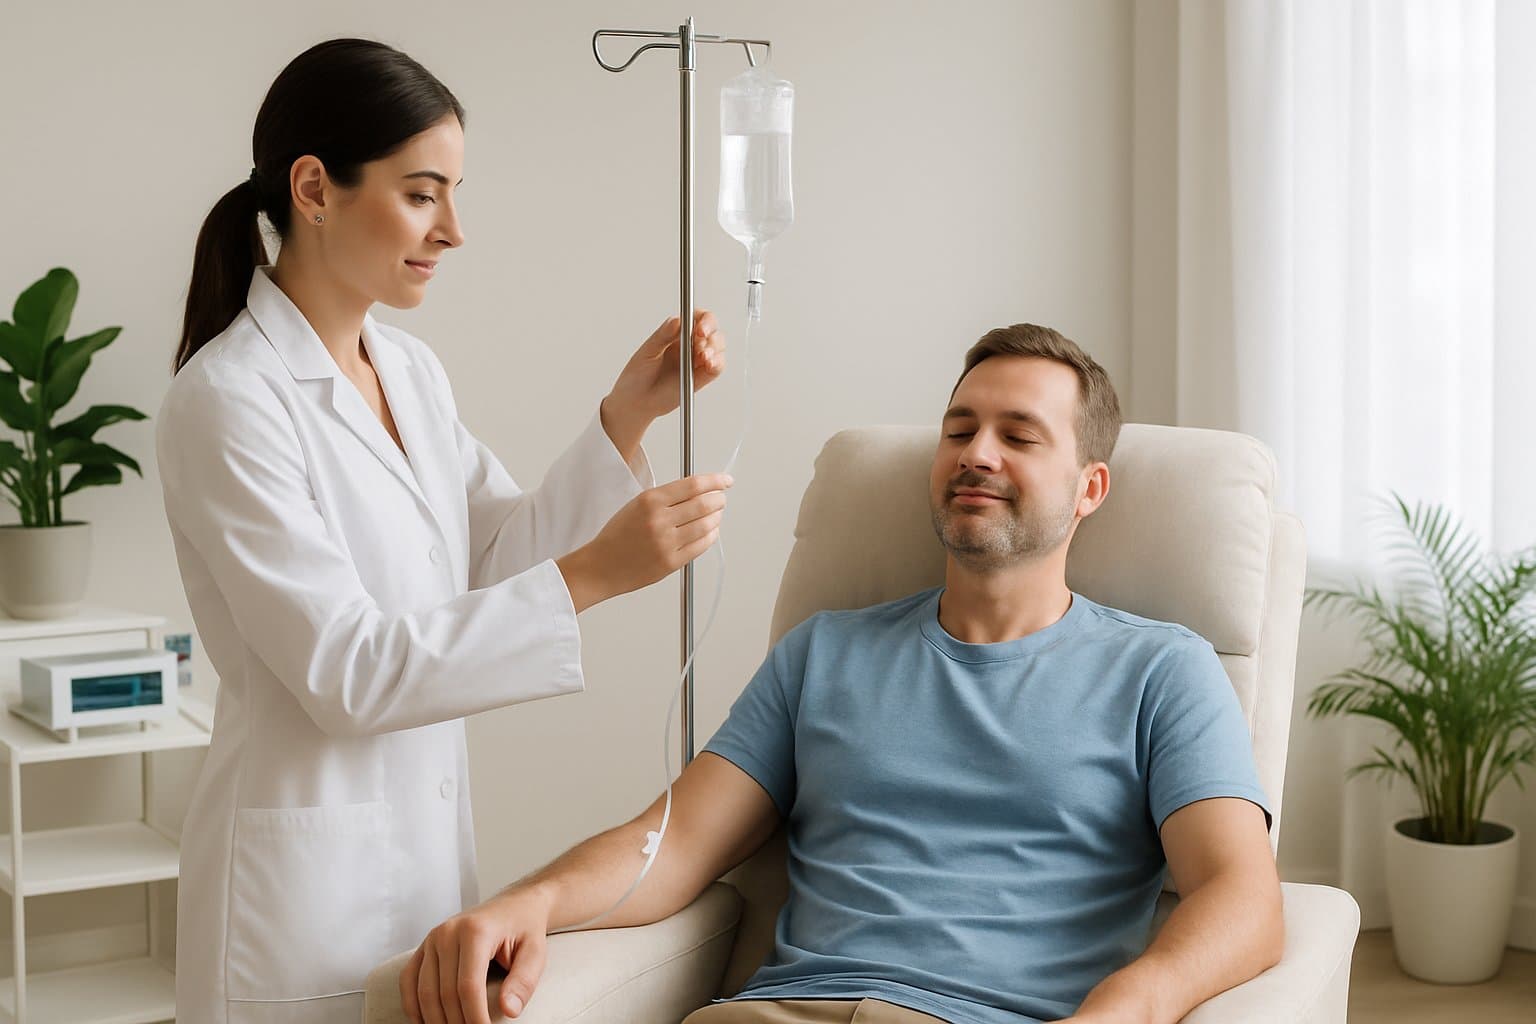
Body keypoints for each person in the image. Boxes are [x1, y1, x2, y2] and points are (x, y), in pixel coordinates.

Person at [403, 324, 1285, 1024]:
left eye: (1018, 436)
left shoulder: (1162, 670)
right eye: (959, 430)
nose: (977, 453)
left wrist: (1124, 1009)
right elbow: (671, 844)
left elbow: (1243, 897)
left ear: (1090, 488)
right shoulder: (823, 653)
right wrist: (532, 901)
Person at [157, 38, 732, 1023]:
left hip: (423, 874)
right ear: (314, 188)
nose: (453, 230)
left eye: (453, 195)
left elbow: (493, 561)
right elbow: (348, 671)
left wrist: (626, 417)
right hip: (294, 908)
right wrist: (596, 573)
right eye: (423, 194)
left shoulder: (409, 372)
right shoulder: (228, 401)